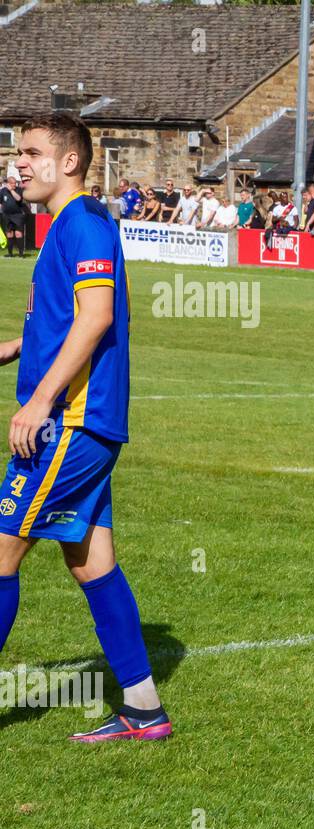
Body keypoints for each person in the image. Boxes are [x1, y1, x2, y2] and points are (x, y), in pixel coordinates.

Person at [0, 112, 170, 742]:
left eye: (32, 152)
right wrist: (23, 344)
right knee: (91, 561)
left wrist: (40, 400)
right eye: (18, 153)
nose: (19, 162)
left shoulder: (85, 221)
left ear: (69, 161)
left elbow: (97, 316)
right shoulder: (68, 226)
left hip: (70, 422)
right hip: (77, 421)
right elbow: (81, 314)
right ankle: (145, 709)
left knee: (1, 550)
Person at [0, 176, 26, 257]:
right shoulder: (2, 191)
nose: (14, 184)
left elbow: (18, 199)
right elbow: (0, 202)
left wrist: (11, 190)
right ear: (8, 183)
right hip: (6, 215)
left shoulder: (19, 190)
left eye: (15, 183)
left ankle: (21, 254)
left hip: (17, 215)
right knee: (9, 234)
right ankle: (10, 253)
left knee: (18, 234)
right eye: (12, 183)